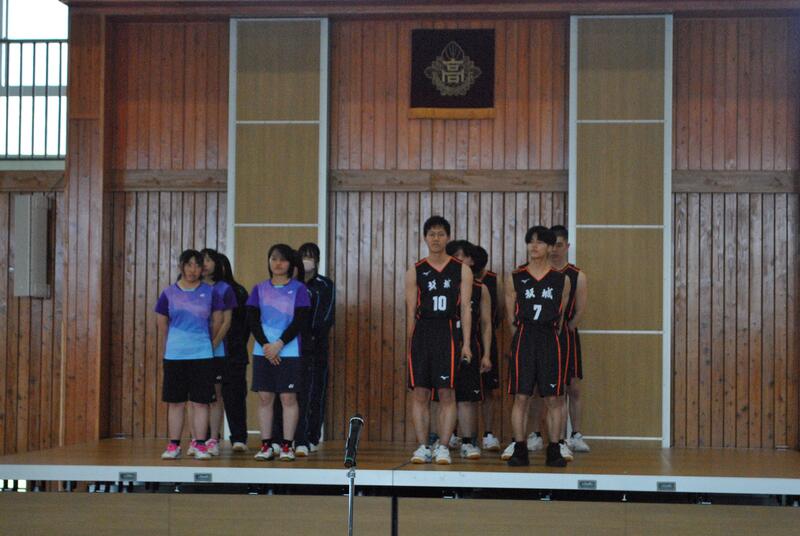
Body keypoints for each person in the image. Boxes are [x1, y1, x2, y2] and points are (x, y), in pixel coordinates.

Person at [406, 216, 473, 465]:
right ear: (425, 238)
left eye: (441, 234)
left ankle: (443, 446)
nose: (436, 238)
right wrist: (411, 342)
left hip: (448, 332)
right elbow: (410, 311)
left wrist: (467, 343)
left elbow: (465, 309)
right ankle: (423, 446)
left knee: (447, 392)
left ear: (448, 237)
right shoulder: (415, 270)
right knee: (420, 393)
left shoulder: (461, 269)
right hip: (423, 332)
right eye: (432, 234)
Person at [502, 226, 571, 467]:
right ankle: (520, 449)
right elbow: (510, 317)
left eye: (540, 242)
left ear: (550, 247)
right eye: (530, 241)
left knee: (554, 398)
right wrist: (522, 337)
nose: (534, 246)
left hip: (550, 339)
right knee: (521, 397)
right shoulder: (515, 278)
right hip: (525, 337)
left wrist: (549, 337)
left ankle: (554, 449)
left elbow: (561, 318)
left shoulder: (561, 280)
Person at [156, 249, 224, 460]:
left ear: (202, 269)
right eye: (189, 265)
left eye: (197, 265)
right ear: (181, 267)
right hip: (175, 355)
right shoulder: (169, 293)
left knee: (201, 402)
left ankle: (201, 444)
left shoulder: (211, 293)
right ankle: (174, 445)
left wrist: (205, 341)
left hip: (202, 355)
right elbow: (162, 322)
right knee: (175, 402)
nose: (193, 269)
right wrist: (173, 344)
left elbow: (218, 320)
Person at [247, 244, 311, 462]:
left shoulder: (299, 289)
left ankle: (286, 446)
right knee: (265, 398)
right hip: (263, 352)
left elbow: (300, 320)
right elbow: (252, 320)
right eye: (274, 259)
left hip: (289, 351)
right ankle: (266, 445)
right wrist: (267, 345)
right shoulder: (258, 289)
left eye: (282, 259)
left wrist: (279, 344)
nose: (278, 263)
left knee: (288, 397)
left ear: (290, 263)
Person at [444, 240, 492, 460]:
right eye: (453, 256)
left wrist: (487, 354)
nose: (458, 260)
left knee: (466, 397)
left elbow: (486, 324)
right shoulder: (443, 285)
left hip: (469, 345)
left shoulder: (480, 289)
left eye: (461, 256)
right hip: (443, 343)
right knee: (441, 396)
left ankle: (467, 441)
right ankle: (439, 441)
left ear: (471, 260)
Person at [550, 225, 590, 453]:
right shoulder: (539, 273)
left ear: (567, 246)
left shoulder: (577, 275)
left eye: (559, 245)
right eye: (552, 245)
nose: (555, 250)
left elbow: (580, 311)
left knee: (572, 387)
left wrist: (565, 330)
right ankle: (538, 435)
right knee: (541, 389)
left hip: (567, 335)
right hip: (542, 335)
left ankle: (576, 434)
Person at [297, 242, 335, 453]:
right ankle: (291, 437)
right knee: (294, 394)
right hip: (293, 345)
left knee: (315, 392)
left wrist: (313, 334)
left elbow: (327, 315)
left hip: (317, 345)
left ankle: (312, 435)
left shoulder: (325, 285)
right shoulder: (293, 283)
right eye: (303, 256)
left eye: (310, 256)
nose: (307, 260)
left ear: (317, 260)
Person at [199, 248, 237, 456]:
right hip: (193, 352)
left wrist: (213, 343)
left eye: (208, 260)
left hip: (216, 351)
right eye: (201, 260)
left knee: (215, 396)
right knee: (196, 398)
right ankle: (197, 439)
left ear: (216, 263)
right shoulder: (190, 288)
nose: (204, 264)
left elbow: (227, 322)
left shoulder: (224, 289)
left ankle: (213, 438)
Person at [217, 253, 251, 452]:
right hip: (209, 353)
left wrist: (237, 345)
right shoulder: (202, 291)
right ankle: (209, 437)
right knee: (208, 398)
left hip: (234, 353)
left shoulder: (238, 291)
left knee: (235, 397)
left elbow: (246, 324)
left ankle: (239, 437)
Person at [472, 245, 503, 452]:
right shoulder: (459, 279)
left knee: (488, 389)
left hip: (486, 339)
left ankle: (488, 433)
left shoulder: (493, 280)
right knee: (458, 391)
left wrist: (488, 331)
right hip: (462, 339)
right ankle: (457, 434)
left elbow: (499, 309)